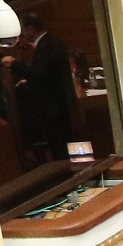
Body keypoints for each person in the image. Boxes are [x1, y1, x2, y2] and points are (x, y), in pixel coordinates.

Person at [10, 12, 79, 164]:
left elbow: (38, 74)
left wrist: (15, 64)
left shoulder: (46, 45)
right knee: (61, 146)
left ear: (30, 29)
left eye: (23, 29)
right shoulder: (50, 42)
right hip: (59, 105)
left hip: (54, 107)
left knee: (60, 148)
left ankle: (66, 174)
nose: (22, 33)